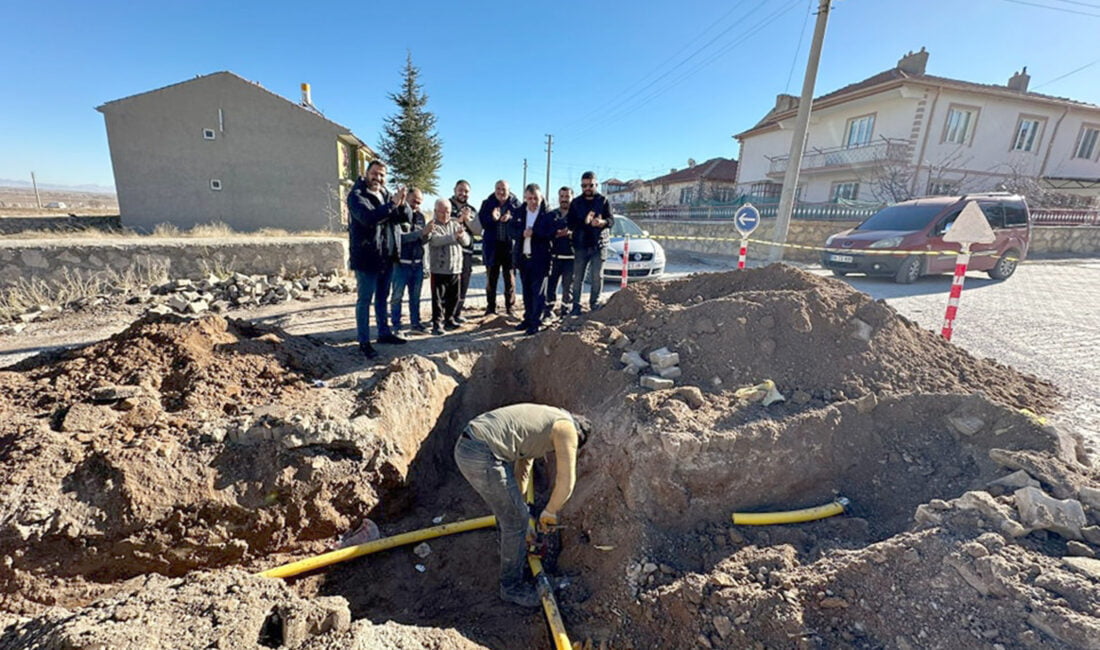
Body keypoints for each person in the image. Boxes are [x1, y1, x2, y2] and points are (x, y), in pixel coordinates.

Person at [453, 404, 591, 608]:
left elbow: (523, 470)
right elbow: (566, 482)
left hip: (471, 445)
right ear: (578, 435)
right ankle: (511, 587)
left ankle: (512, 542)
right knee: (515, 521)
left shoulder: (544, 423)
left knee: (514, 516)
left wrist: (521, 509)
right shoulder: (568, 429)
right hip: (481, 453)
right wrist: (549, 512)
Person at [346, 160, 409, 359]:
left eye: (382, 175)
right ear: (366, 173)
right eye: (374, 173)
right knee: (364, 300)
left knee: (382, 298)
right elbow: (368, 218)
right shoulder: (356, 195)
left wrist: (403, 202)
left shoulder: (385, 194)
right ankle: (363, 342)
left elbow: (404, 217)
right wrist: (391, 205)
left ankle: (384, 333)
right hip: (367, 257)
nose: (378, 178)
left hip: (387, 257)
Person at [509, 184, 555, 335]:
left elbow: (550, 232)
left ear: (541, 198)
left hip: (540, 259)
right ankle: (527, 319)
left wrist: (534, 233)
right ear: (525, 198)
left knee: (538, 293)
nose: (533, 201)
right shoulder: (519, 211)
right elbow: (511, 230)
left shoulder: (547, 213)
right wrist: (522, 233)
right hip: (523, 258)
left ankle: (536, 322)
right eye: (530, 198)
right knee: (527, 292)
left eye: (536, 198)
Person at [567, 171, 613, 315]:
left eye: (590, 185)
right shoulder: (576, 202)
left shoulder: (603, 200)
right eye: (584, 185)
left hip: (599, 245)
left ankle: (595, 303)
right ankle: (576, 305)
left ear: (596, 184)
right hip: (581, 245)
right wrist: (584, 221)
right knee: (578, 277)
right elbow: (570, 224)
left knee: (596, 276)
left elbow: (611, 221)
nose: (587, 188)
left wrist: (602, 222)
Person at [425, 198, 471, 335]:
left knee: (454, 297)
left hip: (455, 268)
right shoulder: (432, 225)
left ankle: (449, 320)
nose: (445, 215)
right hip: (439, 269)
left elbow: (467, 242)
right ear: (435, 211)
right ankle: (437, 324)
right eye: (442, 212)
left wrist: (461, 236)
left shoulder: (455, 224)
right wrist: (453, 237)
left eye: (448, 212)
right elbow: (435, 241)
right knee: (438, 300)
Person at [478, 180, 521, 317]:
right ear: (494, 189)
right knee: (491, 279)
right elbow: (483, 223)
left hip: (509, 247)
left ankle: (510, 307)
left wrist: (511, 218)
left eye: (503, 189)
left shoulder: (516, 204)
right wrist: (493, 218)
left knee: (510, 279)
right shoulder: (487, 203)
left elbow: (521, 222)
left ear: (509, 190)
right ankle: (491, 307)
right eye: (498, 189)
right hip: (492, 247)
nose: (501, 192)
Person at [390, 187, 428, 333]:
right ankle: (396, 326)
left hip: (417, 264)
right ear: (406, 198)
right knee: (397, 297)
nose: (416, 205)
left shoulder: (421, 217)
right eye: (413, 201)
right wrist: (421, 233)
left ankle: (415, 324)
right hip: (401, 264)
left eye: (419, 202)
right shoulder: (397, 215)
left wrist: (427, 235)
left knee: (416, 297)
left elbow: (422, 240)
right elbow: (399, 239)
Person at [450, 180, 482, 322]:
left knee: (464, 283)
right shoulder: (446, 205)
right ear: (455, 190)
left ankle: (457, 313)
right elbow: (440, 223)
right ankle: (445, 315)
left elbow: (478, 230)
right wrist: (458, 220)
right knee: (449, 283)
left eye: (466, 191)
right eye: (460, 190)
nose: (463, 194)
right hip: (449, 251)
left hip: (466, 253)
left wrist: (467, 220)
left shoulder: (472, 209)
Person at [544, 186, 575, 321]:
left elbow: (583, 233)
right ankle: (548, 311)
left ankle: (565, 311)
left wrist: (570, 233)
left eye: (567, 197)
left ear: (572, 198)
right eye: (562, 197)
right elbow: (545, 233)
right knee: (551, 285)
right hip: (555, 257)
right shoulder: (552, 215)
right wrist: (555, 234)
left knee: (568, 287)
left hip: (571, 258)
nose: (564, 199)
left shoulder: (577, 216)